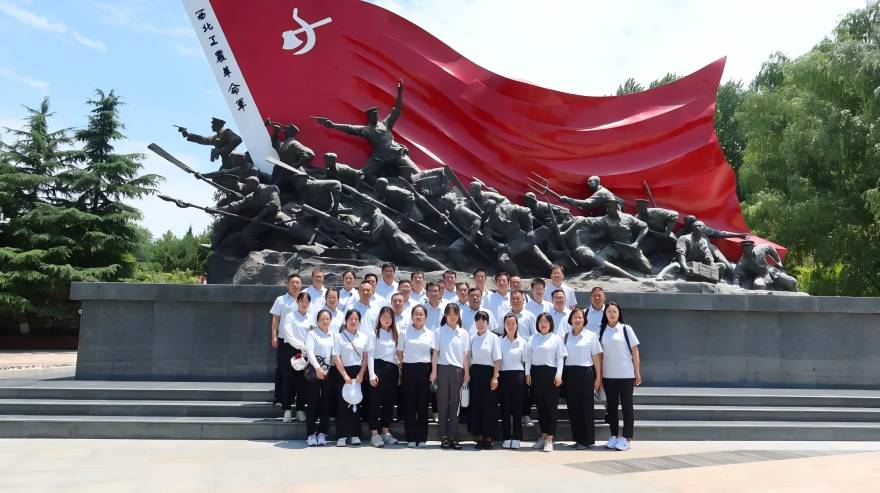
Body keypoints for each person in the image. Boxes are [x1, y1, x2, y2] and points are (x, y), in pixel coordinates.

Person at [315, 78, 420, 184]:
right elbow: (349, 128)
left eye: (377, 114)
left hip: (396, 151)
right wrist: (333, 125)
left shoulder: (386, 124)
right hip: (379, 156)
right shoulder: (366, 130)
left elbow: (396, 110)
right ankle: (384, 187)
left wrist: (400, 93)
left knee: (416, 171)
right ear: (369, 117)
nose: (376, 116)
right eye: (373, 114)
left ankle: (423, 183)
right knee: (364, 174)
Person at [600, 301, 641, 452]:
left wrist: (637, 372)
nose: (611, 314)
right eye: (609, 311)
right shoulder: (602, 331)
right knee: (611, 408)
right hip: (608, 375)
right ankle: (614, 435)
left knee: (627, 407)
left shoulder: (626, 329)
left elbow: (635, 351)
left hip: (626, 375)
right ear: (605, 314)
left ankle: (626, 437)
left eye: (614, 311)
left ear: (619, 313)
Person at [526, 313, 567, 452]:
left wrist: (559, 375)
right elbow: (528, 358)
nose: (543, 324)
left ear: (550, 324)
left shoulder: (556, 339)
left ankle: (550, 438)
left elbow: (560, 358)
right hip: (536, 374)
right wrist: (527, 373)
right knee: (540, 407)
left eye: (546, 322)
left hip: (551, 375)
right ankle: (543, 436)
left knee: (550, 407)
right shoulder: (532, 338)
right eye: (540, 322)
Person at [563, 308, 603, 449]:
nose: (577, 320)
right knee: (573, 407)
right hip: (570, 374)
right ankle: (578, 438)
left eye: (580, 317)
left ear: (584, 319)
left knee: (586, 407)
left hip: (586, 373)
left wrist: (598, 377)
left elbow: (596, 358)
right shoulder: (566, 337)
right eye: (575, 317)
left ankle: (587, 440)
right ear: (571, 320)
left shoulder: (591, 336)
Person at [432, 303, 470, 449]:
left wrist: (467, 372)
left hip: (458, 371)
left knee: (456, 405)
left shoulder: (463, 333)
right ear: (445, 315)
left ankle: (453, 437)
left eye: (455, 313)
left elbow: (465, 354)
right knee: (442, 404)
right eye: (450, 314)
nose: (452, 316)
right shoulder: (438, 331)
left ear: (459, 315)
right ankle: (444, 437)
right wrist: (434, 372)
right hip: (442, 369)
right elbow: (435, 353)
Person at [397, 305, 434, 447]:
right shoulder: (404, 332)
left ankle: (422, 438)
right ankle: (411, 438)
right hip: (409, 369)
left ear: (425, 317)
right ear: (412, 316)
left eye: (421, 314)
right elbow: (399, 352)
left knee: (423, 405)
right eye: (416, 314)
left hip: (425, 370)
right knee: (410, 405)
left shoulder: (430, 333)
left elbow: (433, 353)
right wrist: (403, 365)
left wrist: (432, 372)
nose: (418, 316)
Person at [333, 310, 369, 446]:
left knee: (356, 403)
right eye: (350, 319)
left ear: (359, 321)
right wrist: (344, 375)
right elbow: (336, 357)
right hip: (343, 372)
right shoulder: (339, 337)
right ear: (346, 320)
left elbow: (365, 357)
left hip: (358, 373)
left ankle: (355, 434)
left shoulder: (363, 337)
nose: (353, 321)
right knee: (342, 405)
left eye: (356, 319)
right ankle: (341, 435)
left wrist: (361, 373)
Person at [468, 311, 502, 449]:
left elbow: (497, 359)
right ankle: (479, 437)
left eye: (483, 321)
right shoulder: (472, 338)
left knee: (489, 406)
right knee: (476, 405)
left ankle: (488, 437)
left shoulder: (493, 337)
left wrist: (495, 377)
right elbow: (469, 358)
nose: (481, 324)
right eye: (478, 321)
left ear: (488, 323)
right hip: (475, 373)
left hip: (489, 373)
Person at [367, 306, 401, 447]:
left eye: (389, 317)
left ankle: (385, 432)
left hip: (392, 370)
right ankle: (374, 434)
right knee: (375, 402)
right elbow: (370, 354)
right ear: (379, 318)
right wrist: (371, 374)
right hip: (377, 369)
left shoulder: (395, 334)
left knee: (389, 403)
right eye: (384, 317)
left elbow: (398, 353)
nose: (387, 320)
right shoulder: (374, 333)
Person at [279, 292, 313, 423]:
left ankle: (300, 410)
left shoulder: (311, 317)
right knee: (288, 381)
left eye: (307, 302)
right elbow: (288, 334)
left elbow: (312, 334)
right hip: (291, 350)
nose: (304, 304)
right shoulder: (290, 316)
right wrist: (300, 346)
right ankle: (287, 410)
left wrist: (306, 348)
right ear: (297, 302)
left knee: (303, 382)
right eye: (302, 301)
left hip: (306, 352)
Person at [304, 309, 335, 446]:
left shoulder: (333, 335)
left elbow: (335, 353)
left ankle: (322, 433)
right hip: (315, 371)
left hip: (329, 372)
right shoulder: (312, 334)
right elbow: (309, 352)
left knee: (326, 403)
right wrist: (317, 368)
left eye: (327, 319)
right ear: (317, 321)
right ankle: (311, 434)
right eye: (322, 319)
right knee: (312, 403)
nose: (325, 321)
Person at [270, 274, 302, 405]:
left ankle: (295, 396)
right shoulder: (280, 300)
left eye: (298, 282)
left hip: (300, 342)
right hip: (284, 340)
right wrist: (274, 336)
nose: (295, 285)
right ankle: (279, 396)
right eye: (293, 282)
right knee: (282, 368)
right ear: (288, 284)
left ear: (301, 285)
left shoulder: (304, 300)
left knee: (298, 369)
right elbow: (275, 319)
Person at [498, 313, 527, 449]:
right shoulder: (499, 341)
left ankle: (516, 437)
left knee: (517, 408)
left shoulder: (523, 342)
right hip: (503, 376)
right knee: (505, 408)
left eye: (513, 323)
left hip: (518, 376)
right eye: (508, 323)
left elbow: (526, 361)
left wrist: (527, 375)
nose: (510, 326)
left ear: (517, 325)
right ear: (504, 326)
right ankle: (506, 437)